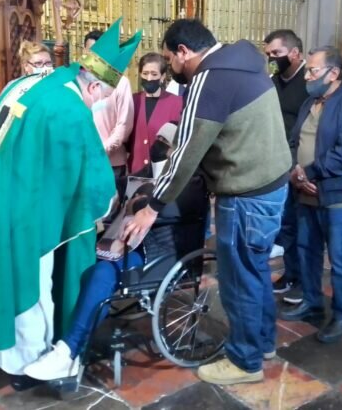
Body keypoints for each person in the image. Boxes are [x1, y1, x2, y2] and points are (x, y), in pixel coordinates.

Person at [0, 18, 142, 393]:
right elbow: (95, 182)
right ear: (94, 85)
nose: (96, 104)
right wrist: (107, 205)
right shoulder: (71, 108)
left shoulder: (25, 83)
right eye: (100, 98)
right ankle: (23, 366)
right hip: (21, 212)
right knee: (27, 286)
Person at [123, 19, 291, 386]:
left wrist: (152, 206)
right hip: (271, 185)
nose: (170, 67)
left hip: (245, 194)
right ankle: (262, 343)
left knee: (238, 279)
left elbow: (186, 152)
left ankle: (244, 362)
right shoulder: (244, 59)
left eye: (169, 58)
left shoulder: (209, 79)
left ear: (183, 52)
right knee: (255, 268)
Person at [21, 124, 208, 382]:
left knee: (103, 272)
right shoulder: (148, 173)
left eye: (165, 143)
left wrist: (141, 205)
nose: (158, 146)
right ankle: (68, 329)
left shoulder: (191, 181)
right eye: (158, 140)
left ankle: (68, 352)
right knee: (79, 258)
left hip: (161, 254)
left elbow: (169, 210)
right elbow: (122, 186)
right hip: (131, 243)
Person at [279, 46, 342, 344]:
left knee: (339, 257)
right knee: (307, 249)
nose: (307, 76)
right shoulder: (310, 102)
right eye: (308, 70)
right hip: (305, 189)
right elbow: (294, 140)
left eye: (313, 70)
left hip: (337, 192)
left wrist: (309, 172)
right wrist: (294, 170)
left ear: (333, 73)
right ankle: (312, 301)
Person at [263, 30, 308, 301]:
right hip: (278, 161)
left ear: (294, 53)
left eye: (276, 53)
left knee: (304, 227)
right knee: (287, 223)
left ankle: (304, 281)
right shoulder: (274, 81)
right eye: (268, 54)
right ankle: (291, 273)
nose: (272, 58)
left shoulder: (309, 82)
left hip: (301, 163)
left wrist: (300, 164)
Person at [84, 29, 135, 181]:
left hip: (112, 164)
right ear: (84, 51)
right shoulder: (77, 80)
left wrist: (100, 151)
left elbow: (124, 125)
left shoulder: (120, 82)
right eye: (91, 51)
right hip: (82, 162)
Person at [128, 52, 183, 174]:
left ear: (162, 76)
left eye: (154, 74)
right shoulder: (132, 100)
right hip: (136, 171)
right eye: (145, 73)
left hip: (163, 172)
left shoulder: (177, 103)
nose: (149, 78)